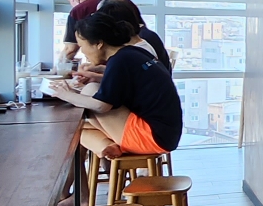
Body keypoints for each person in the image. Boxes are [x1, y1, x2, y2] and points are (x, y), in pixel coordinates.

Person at [45, 9, 183, 164]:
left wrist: (65, 94)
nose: (82, 51)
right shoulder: (132, 53)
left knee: (74, 126)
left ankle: (104, 146)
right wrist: (97, 74)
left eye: (82, 45)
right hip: (166, 135)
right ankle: (107, 145)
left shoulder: (119, 61)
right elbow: (128, 80)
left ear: (98, 43)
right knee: (80, 123)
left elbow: (102, 106)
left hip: (151, 137)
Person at [58, 0, 103, 67]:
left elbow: (70, 49)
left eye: (70, 1)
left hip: (104, 65)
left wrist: (58, 69)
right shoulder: (123, 2)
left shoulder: (79, 11)